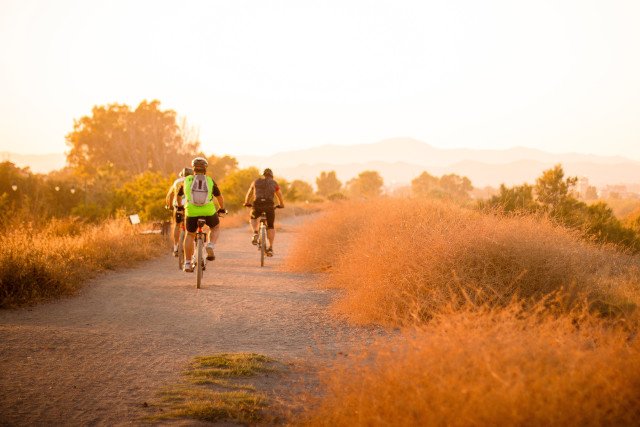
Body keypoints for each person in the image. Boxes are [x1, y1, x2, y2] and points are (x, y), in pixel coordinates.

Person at [183, 157, 226, 273]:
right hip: (208, 212)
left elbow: (178, 196)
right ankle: (211, 245)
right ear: (205, 169)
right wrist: (221, 208)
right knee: (215, 227)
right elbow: (219, 197)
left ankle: (187, 263)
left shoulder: (187, 180)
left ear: (193, 169)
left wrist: (179, 205)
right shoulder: (210, 180)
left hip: (191, 212)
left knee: (190, 235)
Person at [243, 168, 284, 256]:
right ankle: (270, 248)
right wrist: (281, 204)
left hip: (257, 204)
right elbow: (279, 194)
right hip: (269, 206)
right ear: (272, 176)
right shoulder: (274, 183)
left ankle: (255, 232)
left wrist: (246, 202)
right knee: (271, 226)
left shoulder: (256, 182)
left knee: (253, 217)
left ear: (263, 175)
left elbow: (250, 193)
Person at [165, 167, 194, 257]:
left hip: (178, 205)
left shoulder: (177, 182)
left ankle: (176, 246)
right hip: (190, 206)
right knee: (191, 228)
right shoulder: (193, 181)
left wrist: (169, 206)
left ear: (182, 174)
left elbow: (170, 195)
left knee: (177, 225)